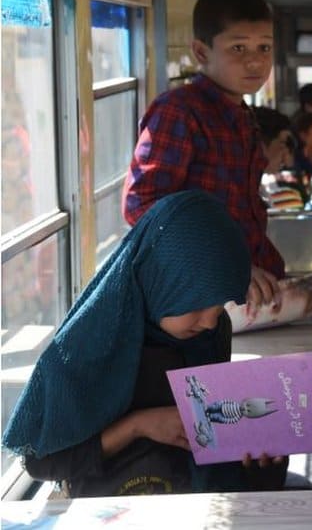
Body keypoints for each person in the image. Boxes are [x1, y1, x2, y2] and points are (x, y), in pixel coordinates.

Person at [2, 191, 286, 497]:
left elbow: (214, 436)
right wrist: (139, 426)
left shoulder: (209, 335)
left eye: (221, 307)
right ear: (160, 283)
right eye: (197, 305)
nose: (210, 322)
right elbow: (43, 463)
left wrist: (260, 460)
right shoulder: (85, 347)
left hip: (197, 503)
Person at [122, 0, 283, 311]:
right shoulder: (179, 111)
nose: (255, 61)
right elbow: (142, 206)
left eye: (264, 47)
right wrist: (223, 264)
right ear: (201, 52)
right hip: (192, 301)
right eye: (238, 48)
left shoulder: (242, 115)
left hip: (239, 296)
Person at [253, 107, 304, 210]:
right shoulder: (239, 191)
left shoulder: (258, 190)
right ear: (260, 143)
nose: (286, 153)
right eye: (283, 143)